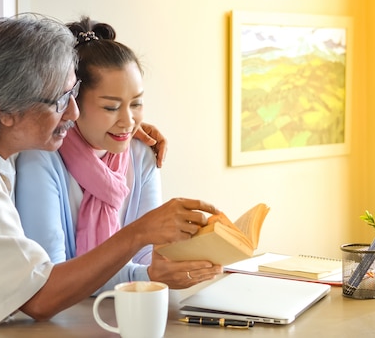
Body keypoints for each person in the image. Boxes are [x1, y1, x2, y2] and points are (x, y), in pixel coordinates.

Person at [0, 14, 220, 337]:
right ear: (5, 110)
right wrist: (138, 234)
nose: (74, 112)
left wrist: (121, 128)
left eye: (74, 94)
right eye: (60, 100)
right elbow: (39, 297)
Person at [15, 16, 222, 291]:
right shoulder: (41, 158)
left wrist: (175, 267)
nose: (128, 121)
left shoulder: (143, 155)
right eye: (111, 108)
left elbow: (148, 254)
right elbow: (51, 274)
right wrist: (147, 276)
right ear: (72, 104)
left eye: (136, 104)